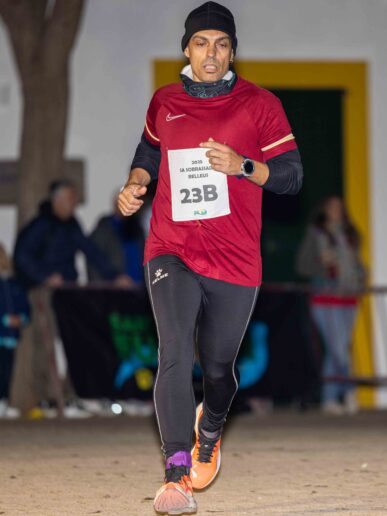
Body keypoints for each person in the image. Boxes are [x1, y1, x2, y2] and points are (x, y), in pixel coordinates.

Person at [118, 2, 303, 514]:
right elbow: (149, 150)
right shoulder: (165, 101)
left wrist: (244, 166)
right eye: (201, 43)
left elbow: (292, 177)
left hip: (235, 259)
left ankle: (211, 427)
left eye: (221, 44)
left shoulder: (259, 104)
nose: (211, 54)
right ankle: (176, 474)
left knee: (218, 368)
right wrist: (136, 182)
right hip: (172, 247)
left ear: (232, 52)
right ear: (187, 49)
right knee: (175, 350)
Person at [13, 179, 132, 416]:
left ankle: (69, 395)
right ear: (56, 200)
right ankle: (48, 399)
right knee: (46, 344)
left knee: (74, 339)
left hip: (67, 292)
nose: (74, 203)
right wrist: (45, 276)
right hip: (43, 292)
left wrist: (114, 276)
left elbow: (90, 251)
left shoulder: (71, 225)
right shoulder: (41, 225)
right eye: (70, 198)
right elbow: (22, 256)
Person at [296, 196, 366, 415]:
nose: (336, 211)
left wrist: (361, 276)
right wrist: (322, 265)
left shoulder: (350, 234)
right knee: (338, 350)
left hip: (348, 296)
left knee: (339, 349)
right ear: (324, 210)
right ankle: (349, 390)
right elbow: (302, 266)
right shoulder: (316, 233)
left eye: (339, 207)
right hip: (325, 296)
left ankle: (329, 397)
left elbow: (357, 263)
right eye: (332, 207)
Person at [87, 192, 145, 285]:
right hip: (113, 287)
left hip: (139, 286)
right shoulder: (104, 229)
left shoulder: (137, 228)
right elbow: (94, 260)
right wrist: (110, 281)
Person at [0, 244, 30, 419]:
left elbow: (25, 307)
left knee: (7, 371)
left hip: (10, 337)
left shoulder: (13, 284)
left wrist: (21, 318)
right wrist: (4, 320)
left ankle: (4, 401)